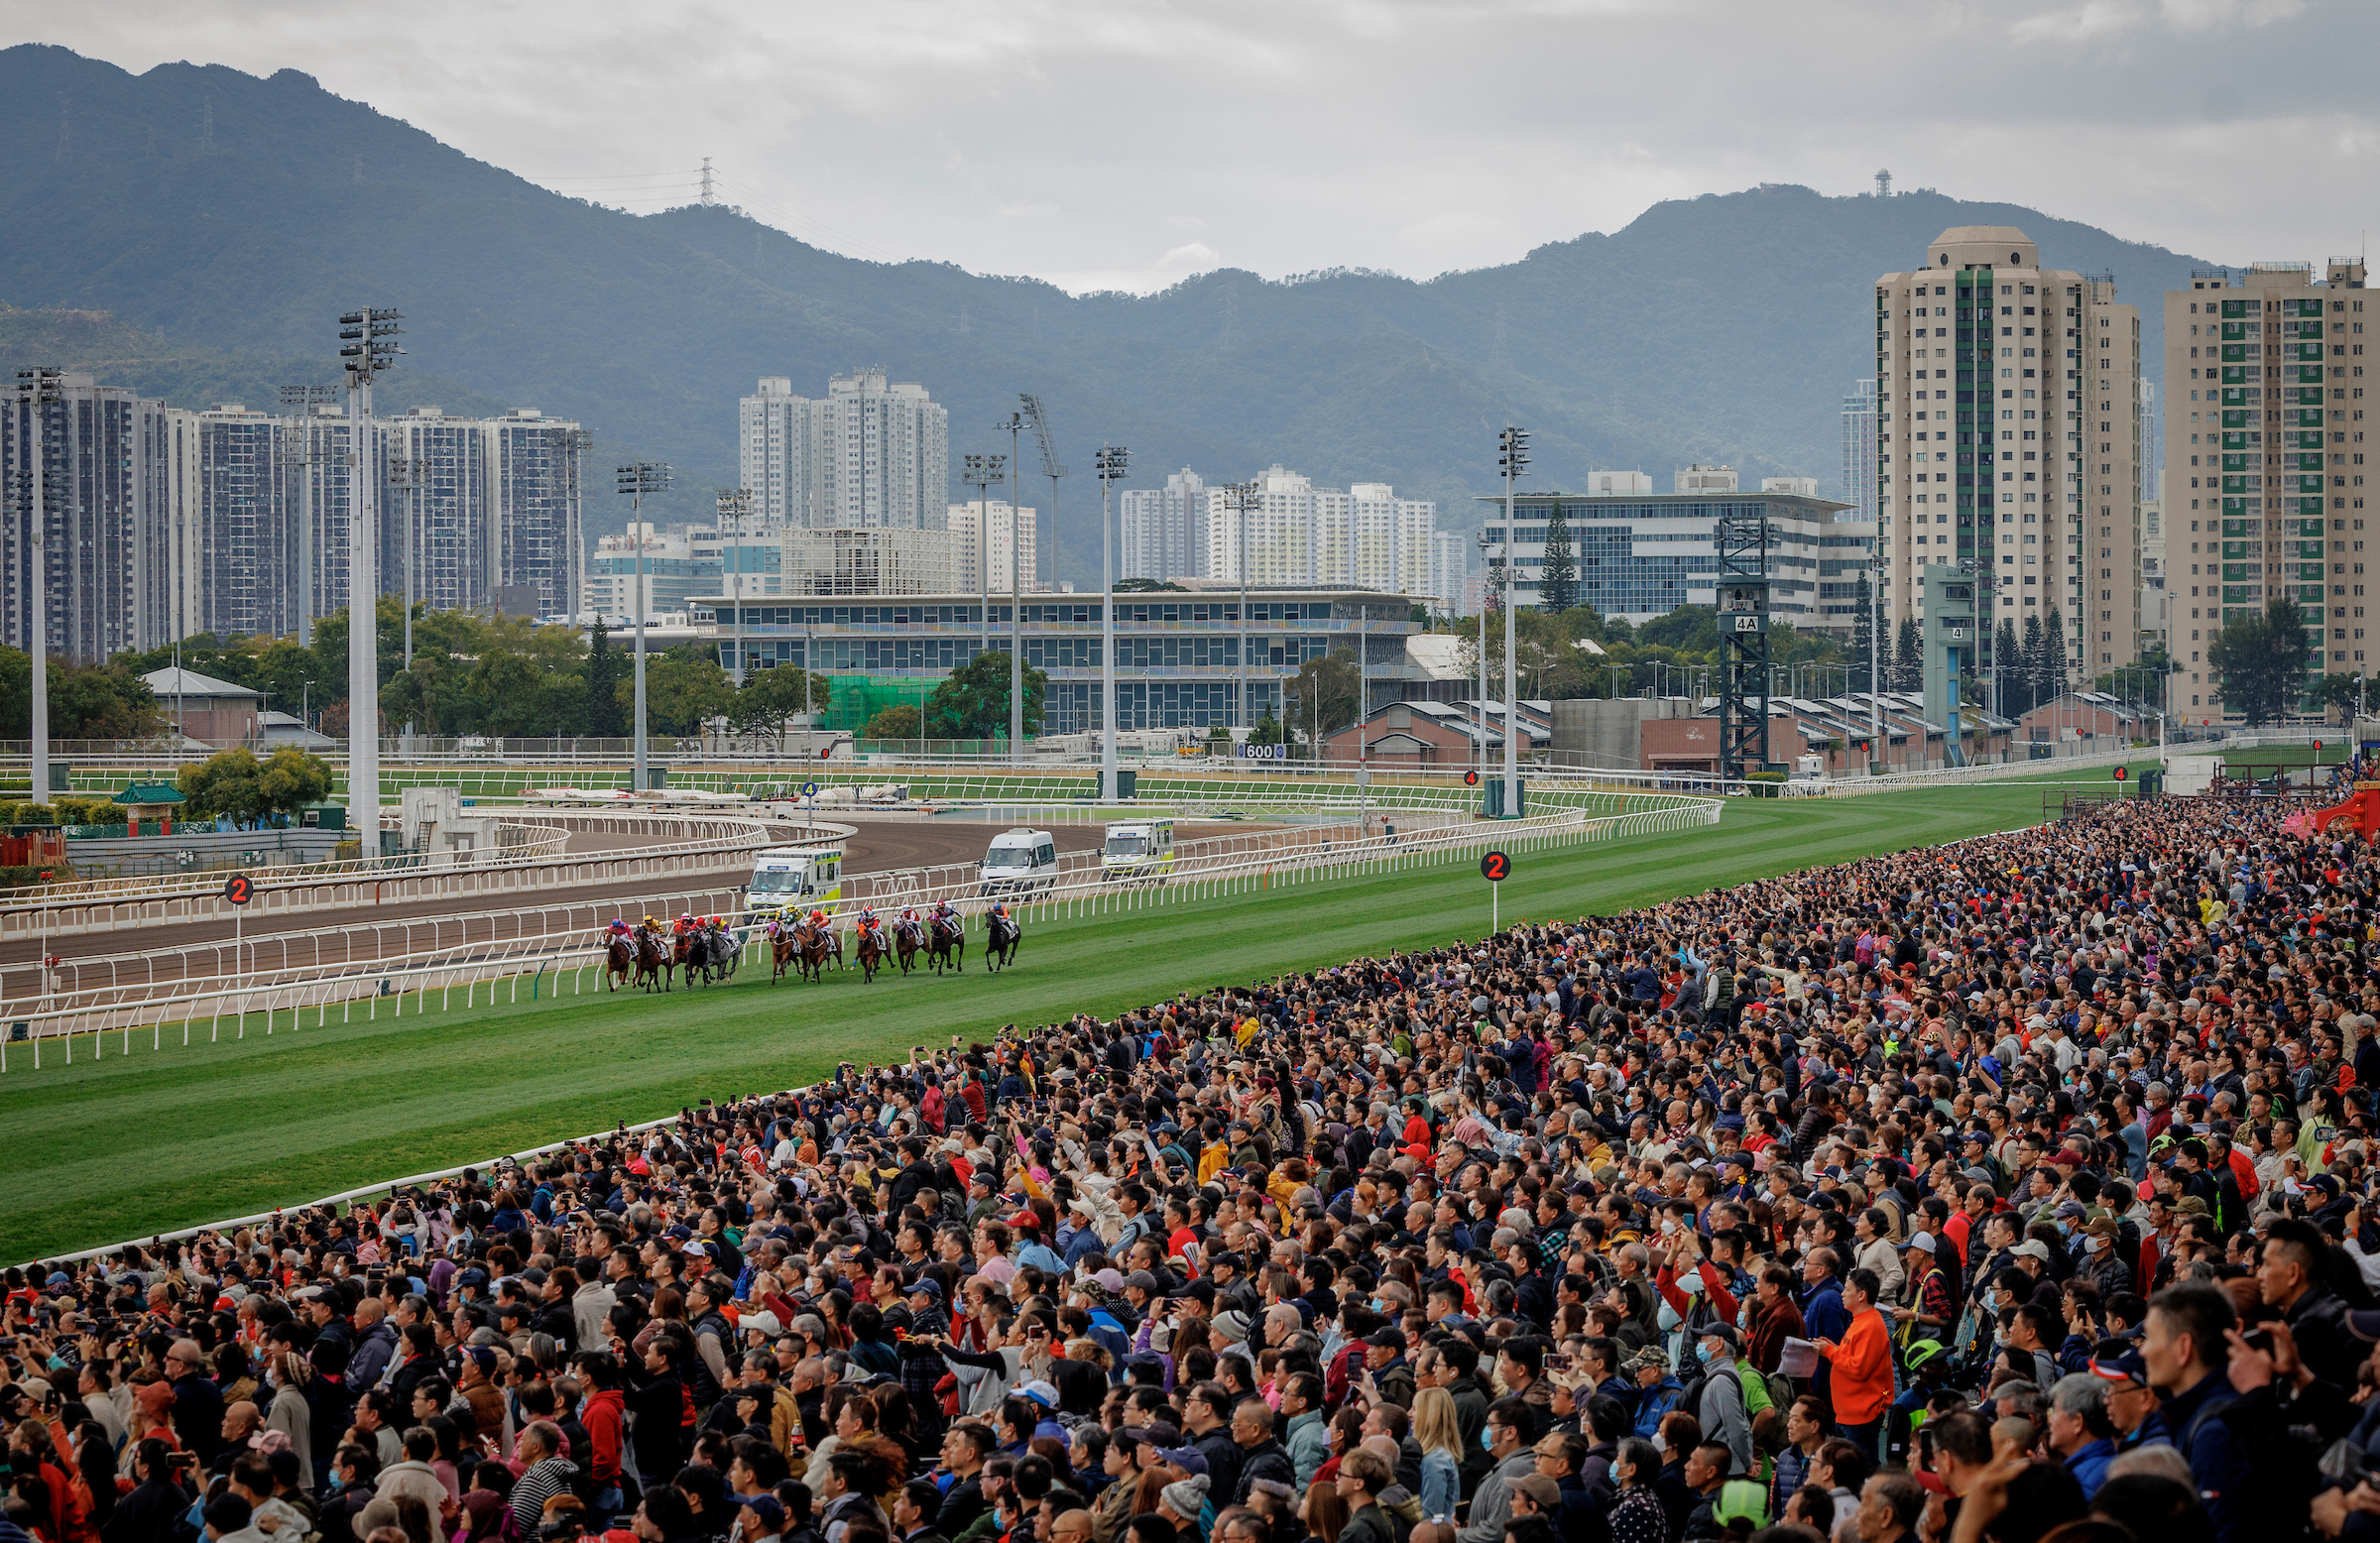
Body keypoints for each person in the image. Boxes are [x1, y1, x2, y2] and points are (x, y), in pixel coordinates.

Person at [1812, 1271, 1891, 1458]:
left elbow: (1858, 1369)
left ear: (1861, 1295)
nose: (1842, 1294)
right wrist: (1834, 1348)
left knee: (1862, 1466)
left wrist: (1829, 1352)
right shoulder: (1860, 1320)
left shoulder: (1870, 1325)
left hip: (1861, 1414)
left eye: (1847, 1290)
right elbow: (1853, 1356)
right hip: (1849, 1412)